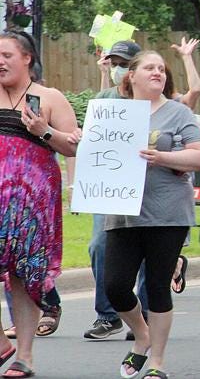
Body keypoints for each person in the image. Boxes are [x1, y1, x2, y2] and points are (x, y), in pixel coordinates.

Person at [100, 51, 200, 379]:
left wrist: (162, 157)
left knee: (157, 286)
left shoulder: (178, 112)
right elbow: (93, 150)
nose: (158, 72)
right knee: (115, 285)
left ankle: (158, 362)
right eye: (150, 67)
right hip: (123, 212)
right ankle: (142, 335)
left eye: (162, 68)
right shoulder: (113, 113)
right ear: (130, 76)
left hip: (167, 213)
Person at [0, 30, 79, 378]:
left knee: (22, 276)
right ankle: (3, 344)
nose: (0, 62)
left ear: (27, 58)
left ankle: (25, 357)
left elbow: (73, 145)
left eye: (6, 55)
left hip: (33, 204)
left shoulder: (48, 97)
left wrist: (44, 131)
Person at [83, 40, 149, 341]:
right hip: (110, 188)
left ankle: (145, 314)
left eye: (124, 63)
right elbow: (92, 145)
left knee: (147, 250)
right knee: (99, 245)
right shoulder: (103, 99)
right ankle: (108, 315)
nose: (117, 68)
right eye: (114, 62)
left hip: (145, 187)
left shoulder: (151, 100)